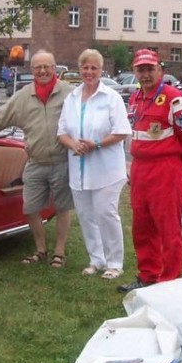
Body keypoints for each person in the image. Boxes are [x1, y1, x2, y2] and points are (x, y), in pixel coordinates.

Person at [0, 50, 74, 268]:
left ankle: (59, 251)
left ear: (54, 68)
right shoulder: (22, 97)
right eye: (38, 67)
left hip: (62, 161)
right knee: (30, 208)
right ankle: (40, 249)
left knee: (62, 207)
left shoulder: (69, 94)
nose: (43, 71)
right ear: (31, 70)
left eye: (47, 66)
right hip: (35, 162)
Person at [118, 49, 182, 293]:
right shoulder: (135, 98)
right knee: (142, 226)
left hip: (166, 168)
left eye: (149, 69)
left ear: (160, 70)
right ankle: (148, 275)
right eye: (140, 70)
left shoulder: (174, 98)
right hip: (141, 168)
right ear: (134, 72)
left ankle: (168, 280)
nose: (145, 75)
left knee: (167, 227)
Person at [57, 49, 131, 279]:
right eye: (85, 67)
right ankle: (96, 259)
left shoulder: (111, 97)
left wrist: (96, 144)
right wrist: (73, 145)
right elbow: (62, 132)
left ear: (101, 70)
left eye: (94, 68)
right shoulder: (71, 98)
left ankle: (115, 263)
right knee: (86, 215)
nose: (89, 72)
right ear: (79, 69)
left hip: (106, 169)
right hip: (78, 169)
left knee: (106, 213)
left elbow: (121, 132)